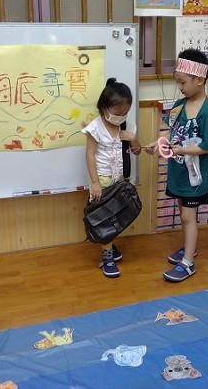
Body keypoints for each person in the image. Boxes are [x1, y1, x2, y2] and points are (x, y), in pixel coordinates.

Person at [145, 49, 208, 282]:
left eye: (183, 82)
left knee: (188, 216)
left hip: (194, 177)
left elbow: (207, 146)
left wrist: (180, 150)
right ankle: (189, 247)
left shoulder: (207, 112)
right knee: (183, 213)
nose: (180, 87)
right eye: (178, 81)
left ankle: (188, 263)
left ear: (200, 79)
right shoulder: (179, 105)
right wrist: (157, 143)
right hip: (177, 171)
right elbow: (172, 133)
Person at [82, 78, 141, 278]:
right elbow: (90, 155)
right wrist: (95, 182)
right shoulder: (95, 127)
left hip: (122, 179)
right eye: (117, 113)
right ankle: (107, 257)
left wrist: (133, 139)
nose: (121, 117)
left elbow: (137, 151)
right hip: (103, 180)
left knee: (119, 215)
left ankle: (109, 245)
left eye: (125, 112)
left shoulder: (128, 125)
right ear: (104, 108)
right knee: (104, 218)